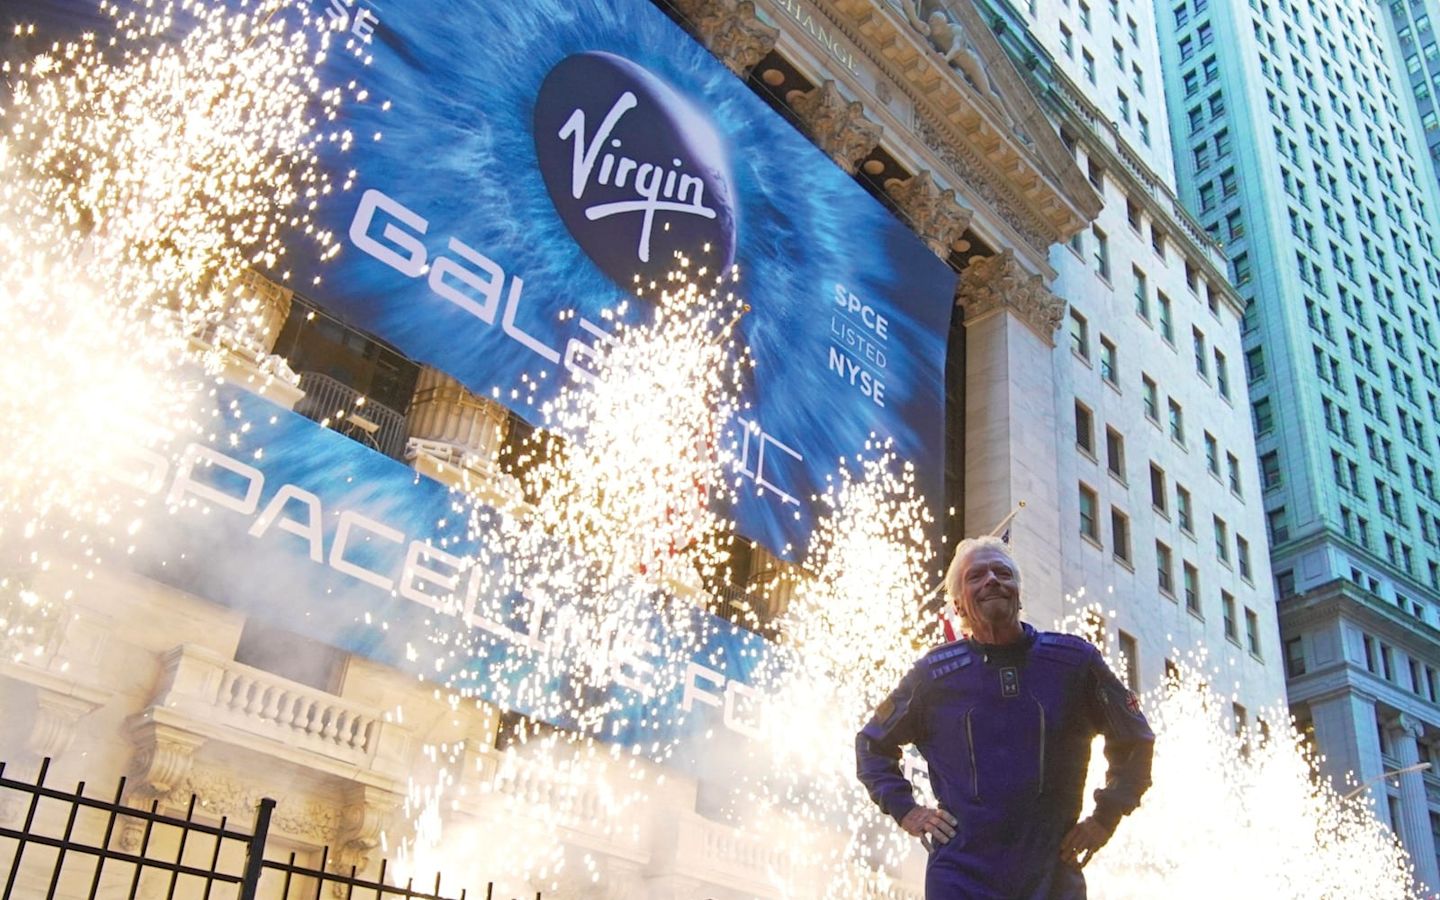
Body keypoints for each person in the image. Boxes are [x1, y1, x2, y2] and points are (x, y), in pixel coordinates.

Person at [855, 536, 1154, 899]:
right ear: (957, 605)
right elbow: (872, 744)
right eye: (976, 576)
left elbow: (1136, 739)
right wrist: (907, 810)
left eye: (1003, 572)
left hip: (1052, 875)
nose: (992, 580)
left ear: (1019, 593)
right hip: (961, 877)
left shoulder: (1075, 662)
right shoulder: (933, 674)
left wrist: (1104, 819)